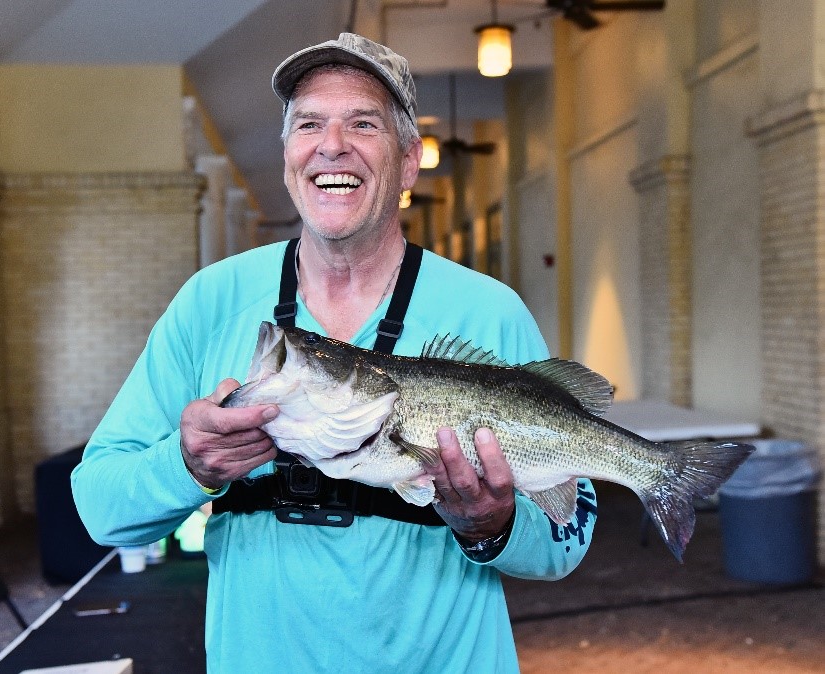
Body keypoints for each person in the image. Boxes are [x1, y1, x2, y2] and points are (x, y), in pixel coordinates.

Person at [72, 33, 597, 673]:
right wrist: (188, 466)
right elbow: (100, 506)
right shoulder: (210, 302)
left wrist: (493, 526)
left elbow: (570, 538)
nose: (332, 145)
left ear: (409, 161)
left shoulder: (489, 313)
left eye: (363, 123)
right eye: (309, 124)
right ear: (289, 154)